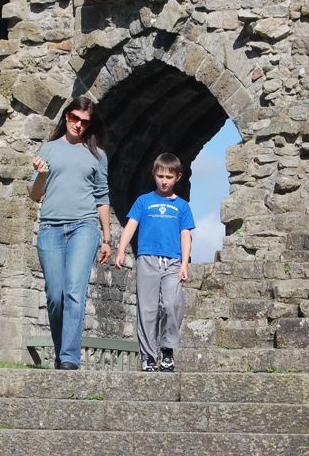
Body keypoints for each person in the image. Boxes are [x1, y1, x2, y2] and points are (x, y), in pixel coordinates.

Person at [28, 96, 112, 370]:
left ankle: (69, 358)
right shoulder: (49, 150)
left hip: (84, 227)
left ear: (90, 125)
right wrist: (41, 174)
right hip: (51, 228)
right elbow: (34, 195)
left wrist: (107, 238)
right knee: (55, 295)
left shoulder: (97, 156)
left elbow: (102, 196)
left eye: (84, 121)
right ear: (66, 117)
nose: (78, 124)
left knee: (75, 291)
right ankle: (60, 348)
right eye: (74, 118)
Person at [113, 153, 194, 372]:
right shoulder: (144, 201)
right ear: (153, 175)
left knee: (172, 303)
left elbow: (186, 235)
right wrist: (121, 250)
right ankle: (148, 356)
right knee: (147, 310)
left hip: (173, 262)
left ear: (178, 177)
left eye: (169, 176)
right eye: (160, 176)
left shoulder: (182, 206)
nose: (164, 180)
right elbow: (130, 226)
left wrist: (185, 263)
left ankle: (167, 350)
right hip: (147, 259)